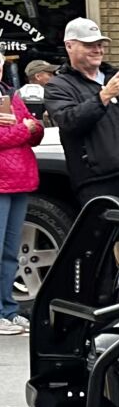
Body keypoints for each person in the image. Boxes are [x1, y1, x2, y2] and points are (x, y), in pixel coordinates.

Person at [45, 18, 119, 205]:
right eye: (89, 45)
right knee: (105, 234)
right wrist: (105, 95)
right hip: (96, 182)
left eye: (100, 45)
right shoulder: (58, 85)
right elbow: (69, 122)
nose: (98, 50)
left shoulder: (115, 77)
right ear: (69, 46)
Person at [0, 76, 43, 335]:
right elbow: (25, 130)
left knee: (10, 252)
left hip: (20, 179)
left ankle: (8, 310)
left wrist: (29, 127)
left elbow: (36, 130)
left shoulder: (11, 94)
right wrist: (24, 129)